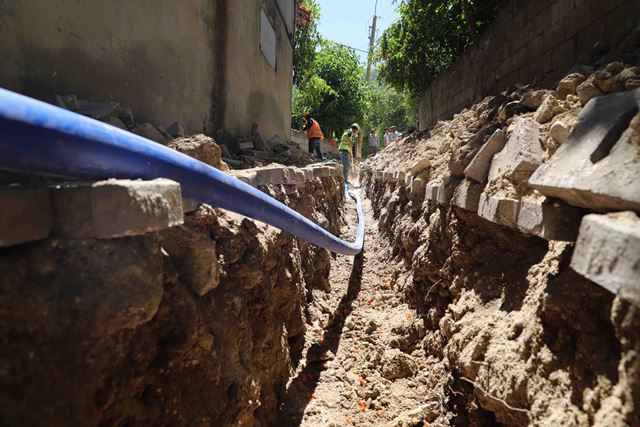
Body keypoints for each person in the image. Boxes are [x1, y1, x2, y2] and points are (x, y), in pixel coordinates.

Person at [339, 123, 359, 188]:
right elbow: (345, 135)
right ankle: (344, 180)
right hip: (343, 149)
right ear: (355, 129)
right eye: (356, 130)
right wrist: (350, 142)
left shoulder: (351, 134)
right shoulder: (349, 131)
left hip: (345, 150)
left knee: (346, 165)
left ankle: (345, 179)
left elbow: (349, 146)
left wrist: (350, 153)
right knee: (346, 165)